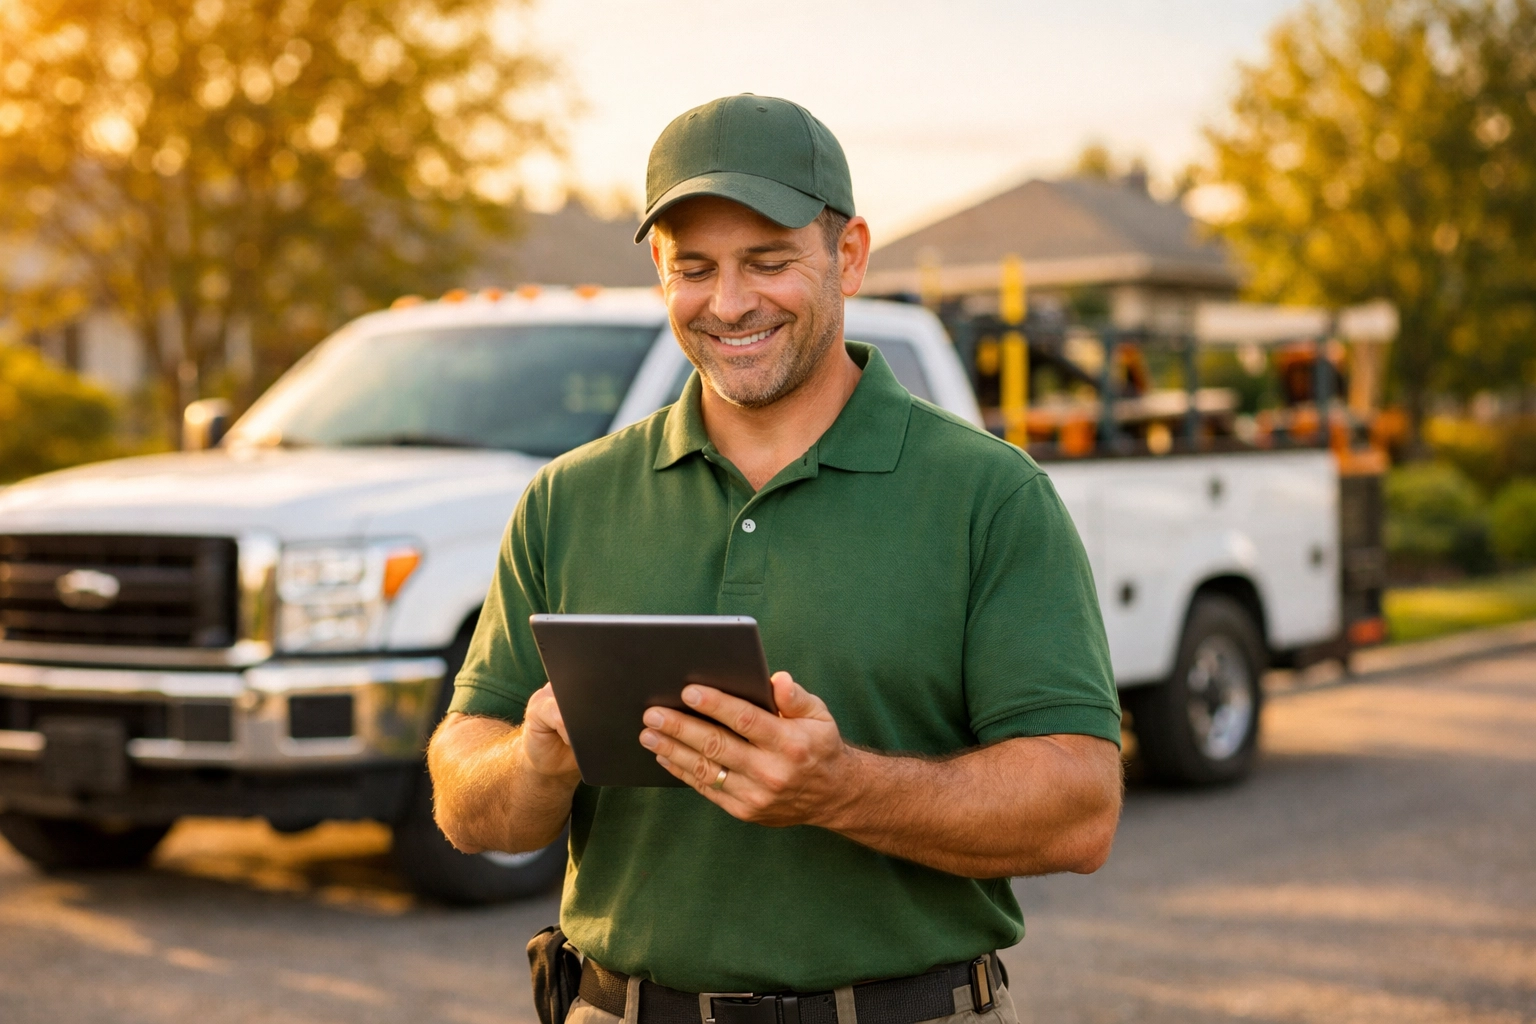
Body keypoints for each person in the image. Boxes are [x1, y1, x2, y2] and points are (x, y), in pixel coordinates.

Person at [428, 94, 1123, 1024]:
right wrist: (534, 762)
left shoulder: (989, 497)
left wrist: (844, 790)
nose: (729, 303)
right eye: (696, 269)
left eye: (768, 261)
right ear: (658, 274)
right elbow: (465, 795)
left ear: (849, 255)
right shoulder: (568, 500)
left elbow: (1082, 807)